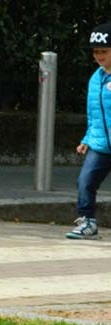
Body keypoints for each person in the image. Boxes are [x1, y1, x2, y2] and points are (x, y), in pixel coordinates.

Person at [65, 20, 111, 240]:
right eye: (95, 52)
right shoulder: (96, 78)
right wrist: (87, 138)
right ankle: (87, 222)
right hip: (100, 143)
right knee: (85, 182)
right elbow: (94, 114)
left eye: (104, 51)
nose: (99, 56)